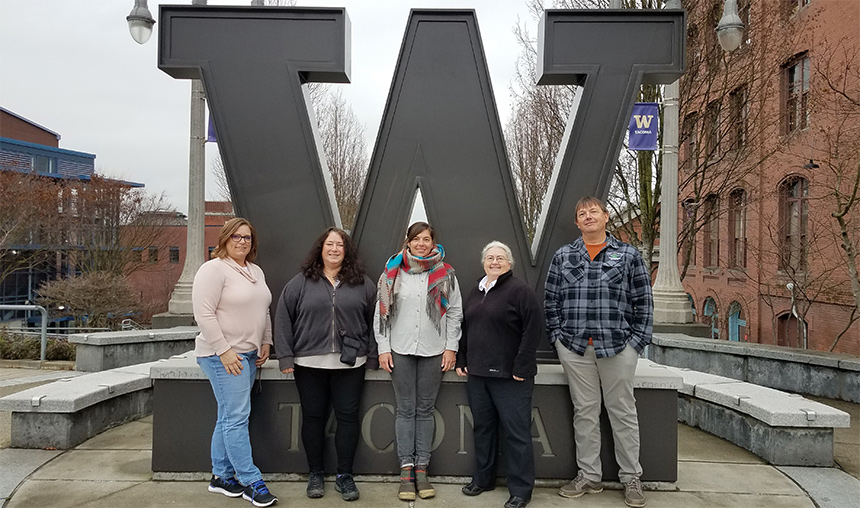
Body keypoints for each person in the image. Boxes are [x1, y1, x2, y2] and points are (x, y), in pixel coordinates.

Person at [544, 196, 654, 508]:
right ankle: (589, 474)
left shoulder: (628, 255)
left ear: (606, 217)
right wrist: (557, 338)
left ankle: (631, 477)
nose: (589, 216)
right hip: (576, 349)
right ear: (577, 223)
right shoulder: (564, 256)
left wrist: (636, 344)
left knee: (622, 411)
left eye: (594, 211)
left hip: (618, 347)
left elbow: (643, 301)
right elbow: (551, 300)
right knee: (585, 412)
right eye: (582, 213)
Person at [274, 227, 378, 502]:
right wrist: (285, 356)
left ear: (347, 251)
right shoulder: (300, 282)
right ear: (320, 248)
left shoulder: (364, 284)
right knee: (313, 418)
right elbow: (283, 319)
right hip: (308, 363)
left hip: (350, 364)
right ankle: (316, 474)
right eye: (329, 244)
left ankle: (345, 476)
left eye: (340, 245)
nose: (334, 249)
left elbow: (374, 322)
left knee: (347, 419)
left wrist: (373, 355)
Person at [192, 217, 278, 508]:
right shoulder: (213, 270)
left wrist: (265, 341)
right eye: (237, 237)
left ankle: (221, 476)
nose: (242, 242)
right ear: (225, 239)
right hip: (223, 356)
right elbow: (203, 314)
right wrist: (224, 351)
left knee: (229, 416)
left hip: (249, 354)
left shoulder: (254, 271)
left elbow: (264, 310)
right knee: (237, 418)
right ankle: (250, 481)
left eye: (248, 238)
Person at [375, 221, 463, 501]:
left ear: (433, 243)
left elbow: (454, 313)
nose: (422, 244)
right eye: (417, 239)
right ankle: (406, 471)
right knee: (405, 409)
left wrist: (451, 348)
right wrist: (383, 348)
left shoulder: (445, 273)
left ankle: (422, 469)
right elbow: (381, 314)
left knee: (425, 410)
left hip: (434, 350)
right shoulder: (391, 272)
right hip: (399, 350)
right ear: (408, 242)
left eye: (427, 239)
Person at [456, 241, 542, 508]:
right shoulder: (476, 290)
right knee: (483, 429)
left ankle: (520, 490)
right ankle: (483, 479)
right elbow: (466, 327)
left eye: (500, 258)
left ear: (510, 263)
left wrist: (523, 366)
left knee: (516, 434)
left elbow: (533, 330)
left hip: (510, 377)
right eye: (490, 258)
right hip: (478, 374)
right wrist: (462, 357)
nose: (495, 262)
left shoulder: (520, 292)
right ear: (483, 262)